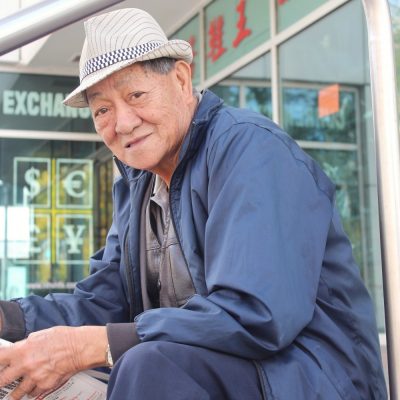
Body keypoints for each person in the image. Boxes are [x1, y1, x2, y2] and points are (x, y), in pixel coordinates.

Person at [0, 7, 387, 400]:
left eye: (136, 94)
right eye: (102, 110)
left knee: (146, 364)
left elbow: (255, 315)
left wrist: (92, 344)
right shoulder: (139, 184)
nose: (123, 122)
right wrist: (9, 319)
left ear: (181, 79)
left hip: (307, 382)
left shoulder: (251, 151)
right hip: (210, 376)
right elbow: (103, 302)